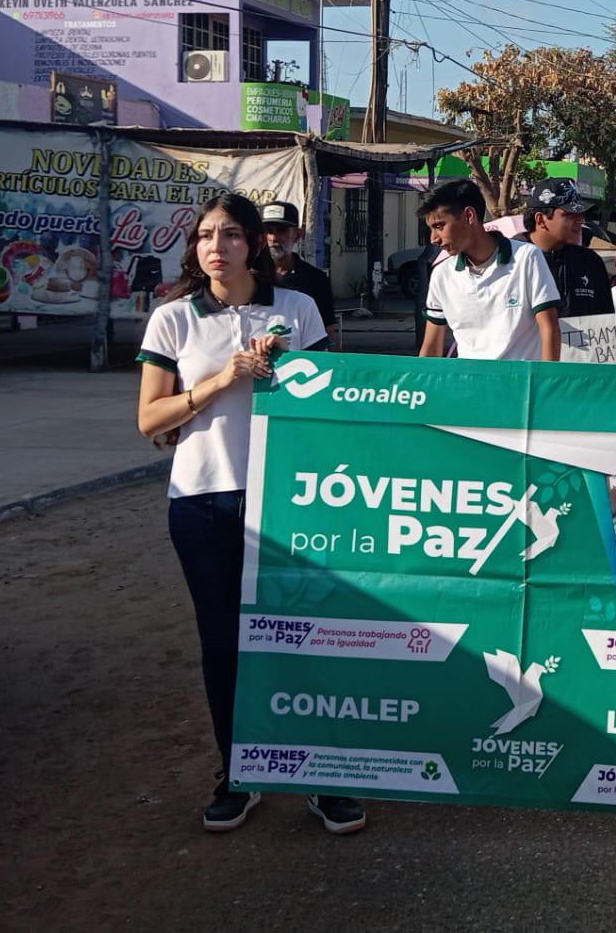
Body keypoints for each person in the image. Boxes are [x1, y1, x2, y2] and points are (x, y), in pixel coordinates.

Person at [136, 192, 364, 836]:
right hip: (204, 500)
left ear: (256, 244)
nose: (217, 246)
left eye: (231, 235)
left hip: (290, 501)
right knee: (223, 644)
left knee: (302, 638)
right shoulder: (173, 319)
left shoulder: (296, 308)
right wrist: (220, 380)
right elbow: (151, 418)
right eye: (207, 235)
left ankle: (319, 775)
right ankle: (238, 771)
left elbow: (332, 403)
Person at [418, 179, 561, 361]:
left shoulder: (527, 257)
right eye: (430, 229)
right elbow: (431, 347)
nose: (433, 239)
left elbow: (549, 328)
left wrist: (545, 384)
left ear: (469, 216)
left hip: (520, 386)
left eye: (439, 226)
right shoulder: (442, 274)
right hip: (467, 386)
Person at [519, 180, 614, 320]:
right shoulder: (511, 262)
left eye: (581, 214)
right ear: (540, 220)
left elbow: (606, 321)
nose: (580, 220)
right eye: (569, 215)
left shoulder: (591, 263)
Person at [259, 201, 340, 350]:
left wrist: (337, 367)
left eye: (281, 230)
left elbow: (328, 332)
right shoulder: (246, 275)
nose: (273, 238)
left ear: (297, 235)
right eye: (267, 231)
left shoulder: (316, 279)